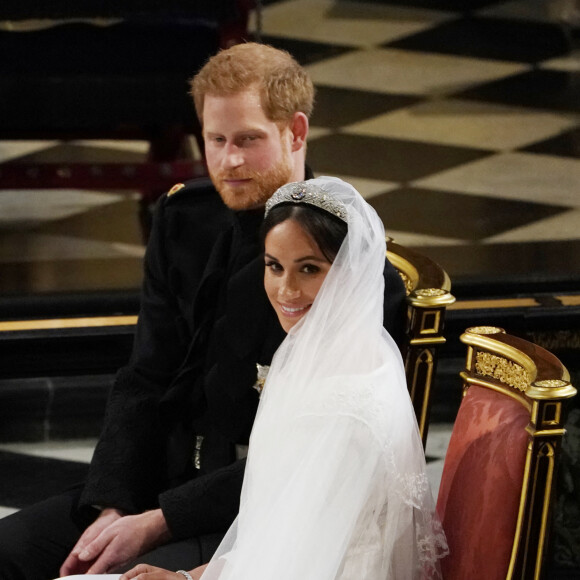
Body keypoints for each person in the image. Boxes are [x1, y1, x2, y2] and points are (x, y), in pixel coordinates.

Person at [0, 44, 406, 580]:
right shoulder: (183, 221)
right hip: (150, 485)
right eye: (216, 140)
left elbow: (310, 464)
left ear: (296, 132)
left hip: (245, 515)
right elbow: (146, 376)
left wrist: (161, 522)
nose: (229, 160)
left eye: (248, 140)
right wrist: (114, 504)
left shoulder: (350, 267)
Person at [111, 177, 447, 580]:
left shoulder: (349, 406)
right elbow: (276, 537)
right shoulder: (325, 353)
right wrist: (187, 576)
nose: (286, 290)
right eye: (274, 266)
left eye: (309, 269)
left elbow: (302, 563)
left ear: (351, 273)